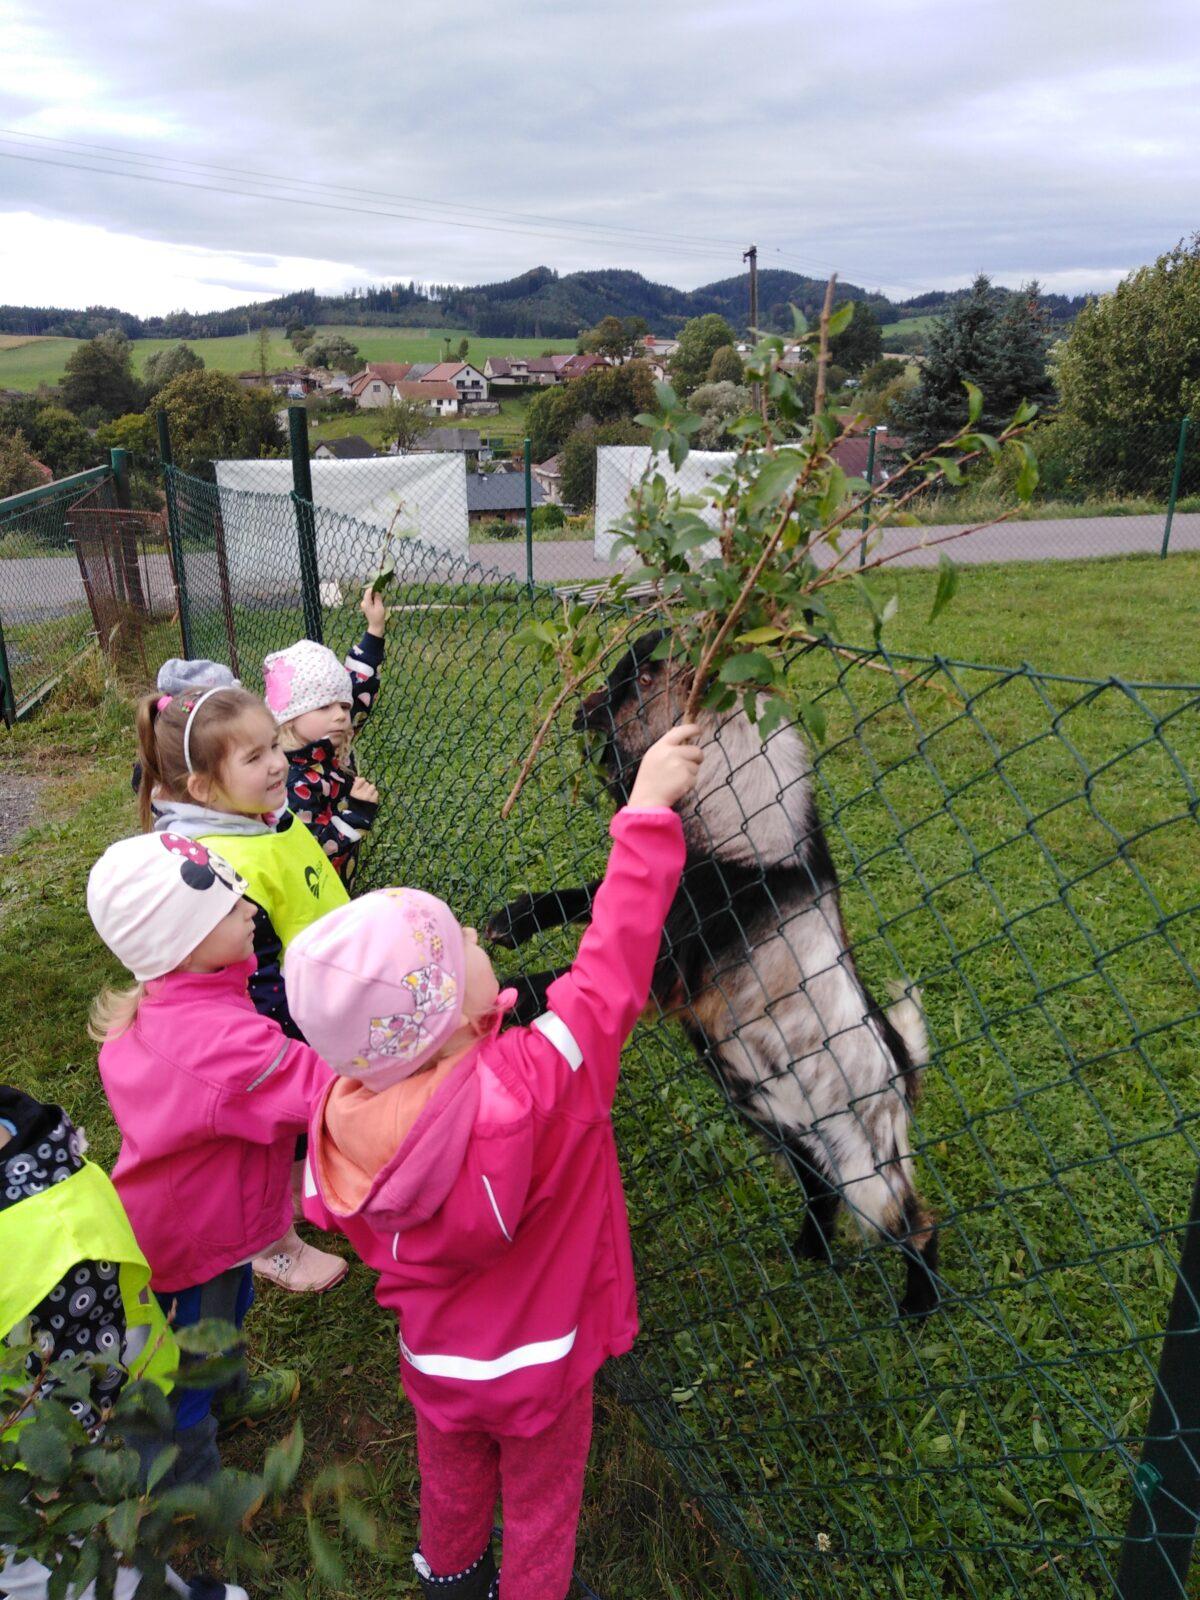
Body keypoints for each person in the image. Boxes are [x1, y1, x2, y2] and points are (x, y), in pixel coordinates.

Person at [285, 725, 702, 1600]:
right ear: (466, 1021)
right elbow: (611, 966)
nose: (476, 931)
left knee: (453, 1476)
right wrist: (646, 812)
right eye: (462, 943)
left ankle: (453, 1576)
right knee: (544, 1505)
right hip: (543, 1365)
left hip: (437, 1360)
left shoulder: (342, 1117)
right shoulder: (544, 1076)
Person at [85, 831, 336, 1482]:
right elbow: (321, 1092)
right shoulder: (222, 1045)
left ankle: (229, 1394)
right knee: (187, 1363)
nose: (250, 904)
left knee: (228, 1314)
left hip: (214, 1220)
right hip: (196, 1242)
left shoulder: (178, 1005)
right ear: (179, 945)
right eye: (228, 907)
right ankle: (191, 1482)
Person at [133, 682, 349, 1295]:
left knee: (293, 1122)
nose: (279, 762)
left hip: (302, 997)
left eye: (273, 745)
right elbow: (235, 967)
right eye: (254, 758)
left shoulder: (255, 821)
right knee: (257, 1135)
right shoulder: (215, 859)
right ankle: (269, 1245)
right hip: (264, 1018)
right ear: (202, 787)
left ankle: (302, 1186)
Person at [0, 1085, 247, 1600]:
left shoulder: (36, 1164)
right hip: (60, 1451)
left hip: (100, 1405)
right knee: (74, 1568)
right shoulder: (40, 1170)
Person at [263, 585, 388, 888]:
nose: (341, 715)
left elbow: (357, 690)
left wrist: (375, 628)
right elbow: (313, 850)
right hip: (314, 893)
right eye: (324, 706)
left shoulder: (329, 742)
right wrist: (356, 815)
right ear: (290, 717)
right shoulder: (291, 782)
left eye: (343, 707)